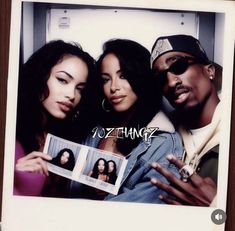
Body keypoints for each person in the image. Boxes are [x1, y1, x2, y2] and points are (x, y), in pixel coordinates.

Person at [70, 39, 183, 203]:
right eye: (105, 79)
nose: (113, 87)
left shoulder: (163, 141)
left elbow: (142, 207)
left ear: (141, 78)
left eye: (123, 76)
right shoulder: (96, 128)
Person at [14, 40, 96, 196]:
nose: (71, 95)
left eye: (80, 89)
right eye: (62, 80)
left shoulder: (68, 137)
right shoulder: (9, 132)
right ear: (39, 75)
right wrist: (19, 180)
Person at [150, 34, 220, 206]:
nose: (171, 82)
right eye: (160, 78)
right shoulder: (164, 138)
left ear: (209, 71)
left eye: (179, 66)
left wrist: (216, 205)